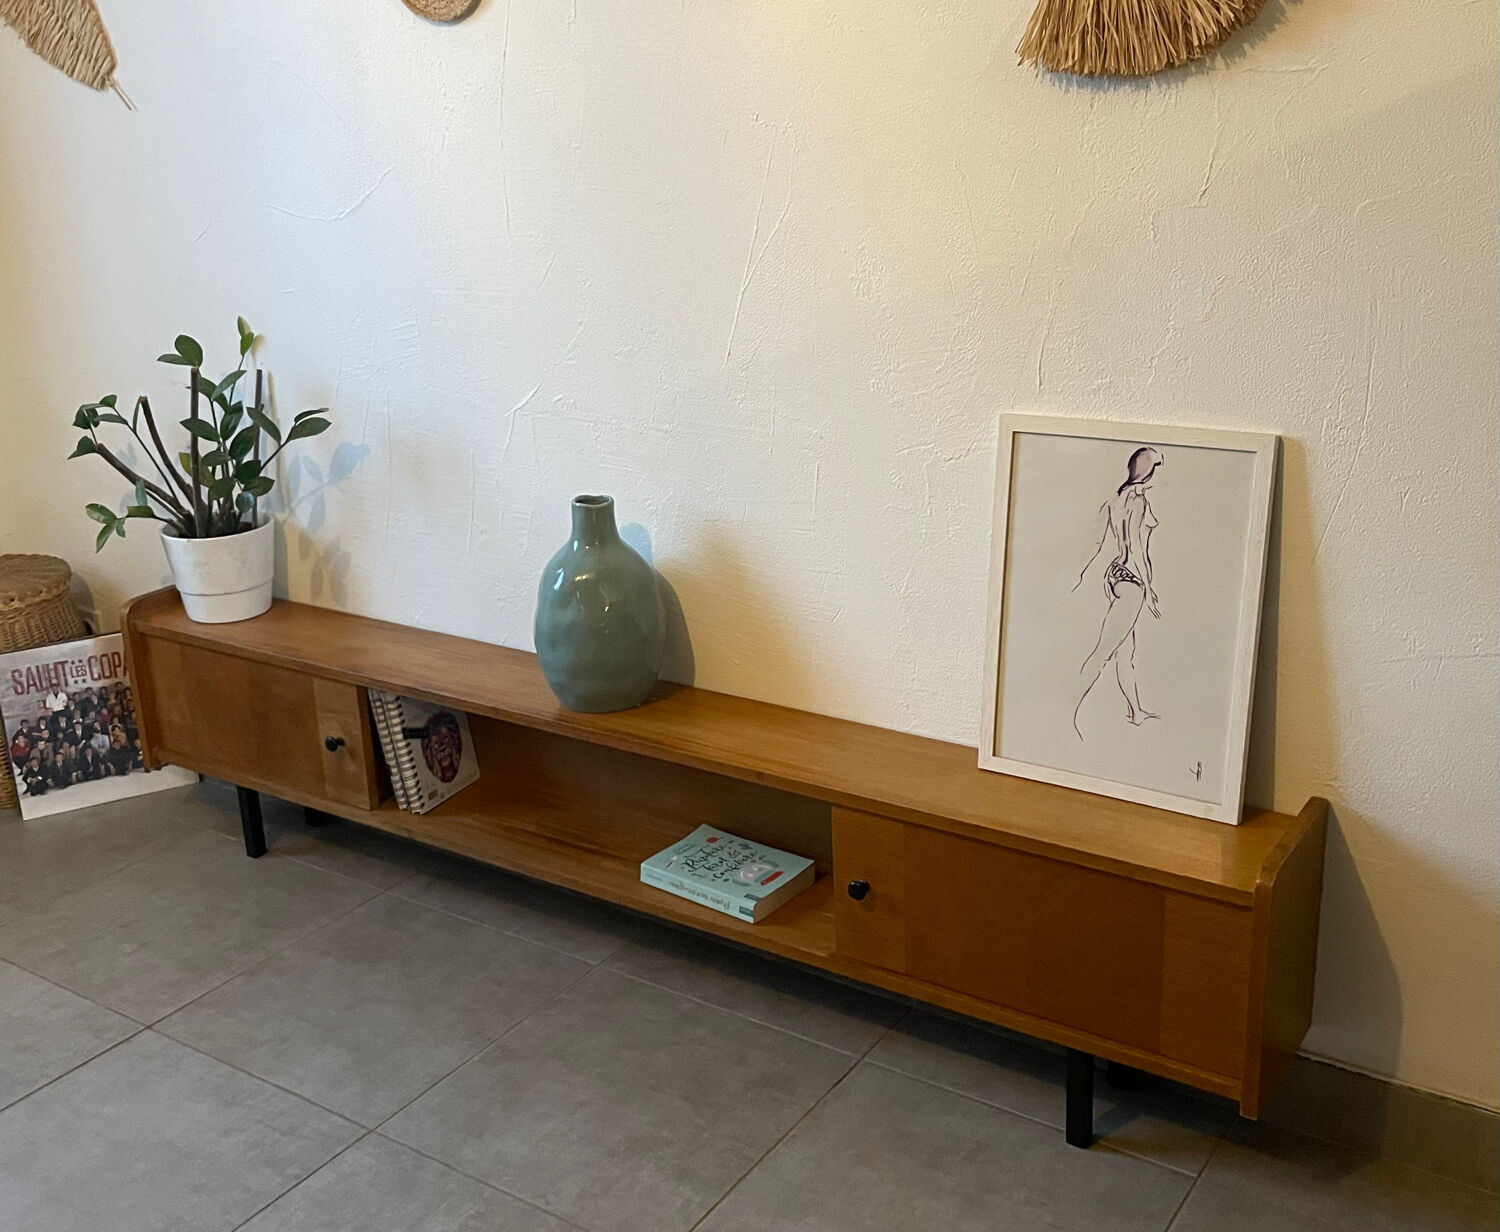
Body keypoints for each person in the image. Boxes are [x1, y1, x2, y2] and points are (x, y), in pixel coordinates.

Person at [1072, 446, 1163, 738]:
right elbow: (1136, 546)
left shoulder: (1115, 499)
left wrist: (1086, 575)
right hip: (1133, 580)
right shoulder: (1139, 501)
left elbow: (1097, 541)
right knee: (1104, 651)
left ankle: (1136, 711)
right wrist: (1148, 588)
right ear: (1149, 471)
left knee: (1125, 651)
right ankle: (1067, 705)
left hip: (1114, 574)